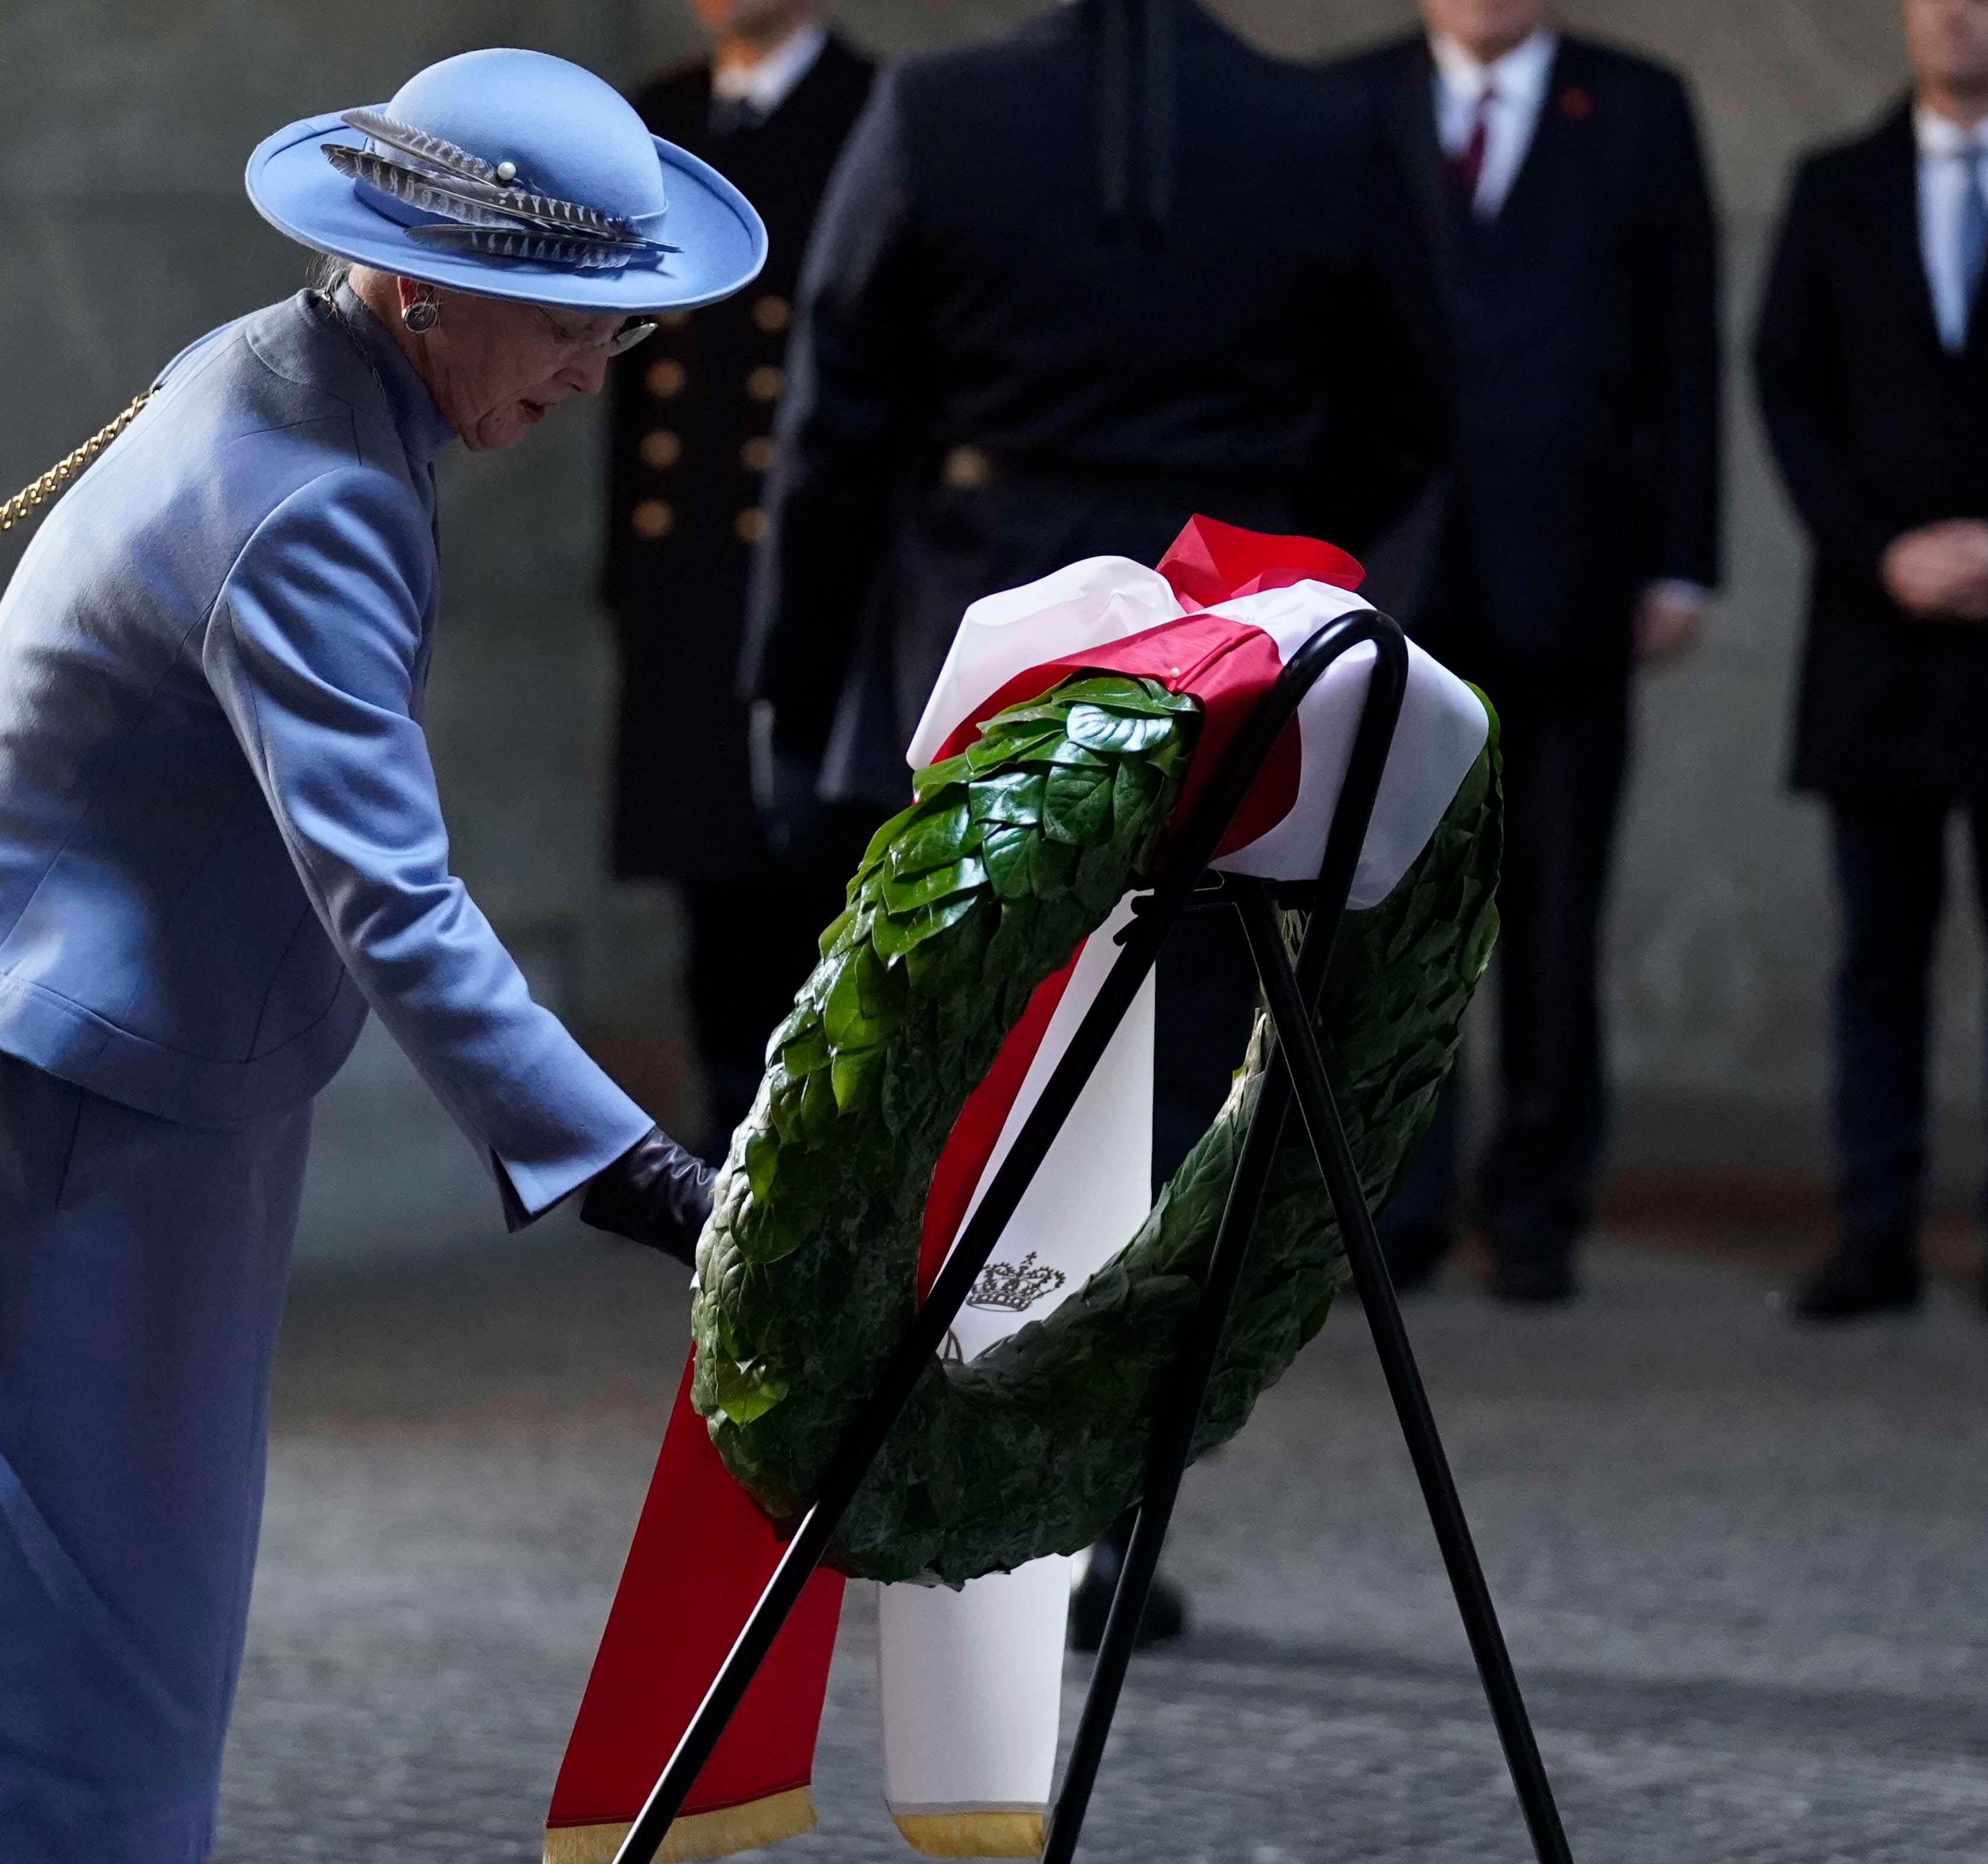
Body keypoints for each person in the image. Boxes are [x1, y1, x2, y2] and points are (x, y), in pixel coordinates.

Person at [0, 50, 766, 1862]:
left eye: (613, 338)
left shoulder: (295, 366)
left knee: (81, 1604)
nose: (587, 376)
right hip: (55, 1094)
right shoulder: (313, 490)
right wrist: (654, 1181)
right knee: (56, 1629)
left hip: (85, 1056)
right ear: (419, 281)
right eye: (561, 325)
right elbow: (400, 905)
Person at [747, 0, 1449, 1648]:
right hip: (1233, 660)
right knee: (1184, 1114)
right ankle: (1111, 1522)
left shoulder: (933, 114)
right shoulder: (1330, 129)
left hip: (986, 638)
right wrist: (1282, 559)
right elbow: (1415, 413)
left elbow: (832, 422)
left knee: (959, 1078)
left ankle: (911, 1482)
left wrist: (789, 689)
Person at [1754, 0, 1988, 1332]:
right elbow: (1789, 387)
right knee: (1881, 951)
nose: (1960, 12)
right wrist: (1880, 552)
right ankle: (1876, 1231)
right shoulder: (1834, 186)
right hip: (1875, 632)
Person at [1343, 0, 1721, 1303]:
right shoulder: (1351, 97)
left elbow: (1685, 344)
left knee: (1554, 906)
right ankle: (1395, 1199)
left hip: (1574, 566)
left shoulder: (1635, 106)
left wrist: (1684, 557)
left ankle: (1541, 1198)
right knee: (1388, 903)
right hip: (1392, 571)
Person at [604, 0, 875, 1153]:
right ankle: (728, 1151)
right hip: (687, 569)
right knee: (706, 883)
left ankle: (822, 1162)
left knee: (813, 883)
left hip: (817, 572)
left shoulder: (871, 112)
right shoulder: (655, 121)